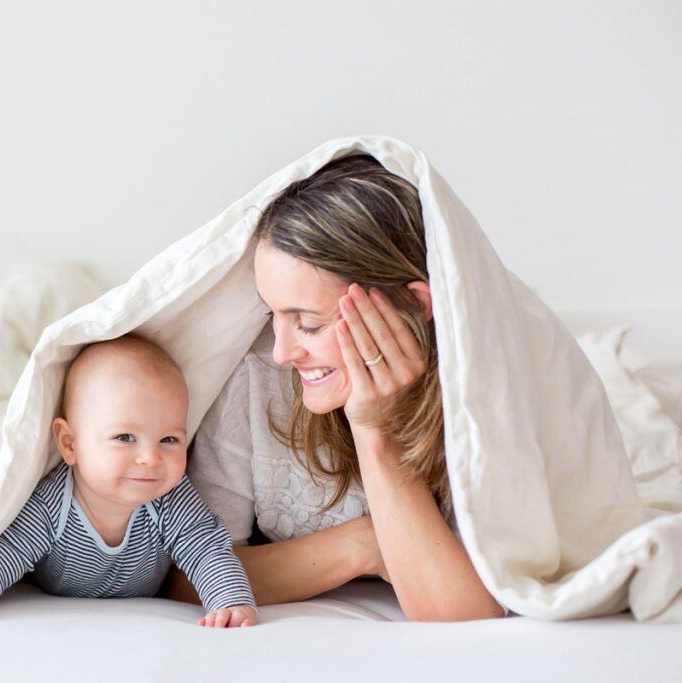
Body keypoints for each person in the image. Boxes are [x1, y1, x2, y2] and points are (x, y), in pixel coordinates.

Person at [163, 154, 506, 621]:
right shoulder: (257, 374)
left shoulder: (480, 396)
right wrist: (363, 545)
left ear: (414, 304)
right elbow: (189, 578)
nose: (283, 352)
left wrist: (373, 431)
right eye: (272, 314)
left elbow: (462, 615)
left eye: (307, 324)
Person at [0, 335, 257, 628]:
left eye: (169, 440)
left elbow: (206, 548)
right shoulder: (52, 505)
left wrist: (231, 602)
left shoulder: (170, 497)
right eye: (125, 438)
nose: (151, 458)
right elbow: (3, 557)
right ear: (70, 443)